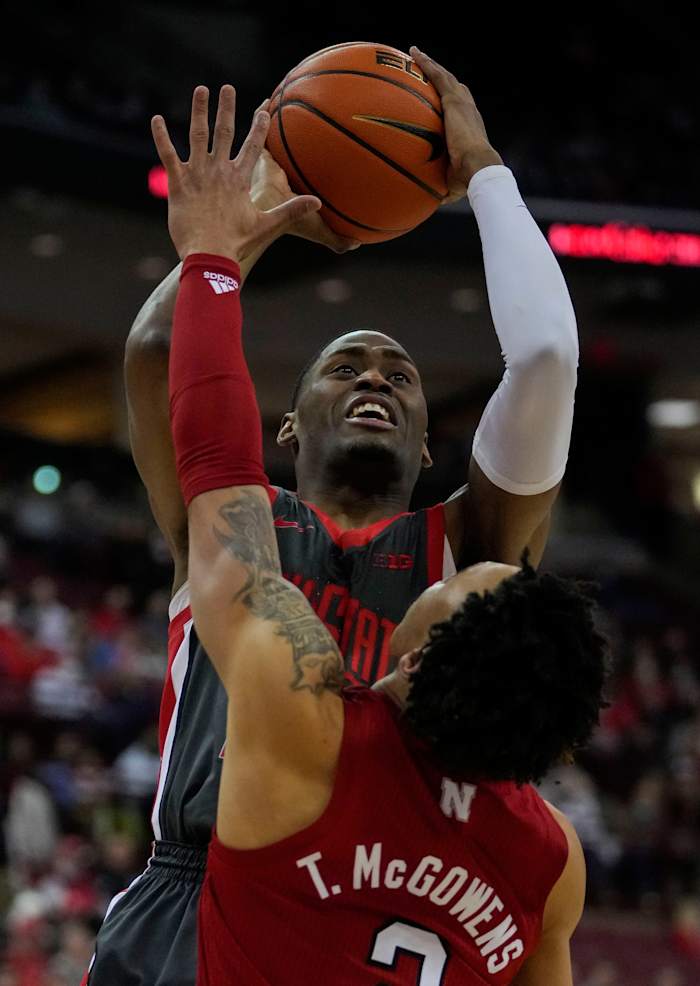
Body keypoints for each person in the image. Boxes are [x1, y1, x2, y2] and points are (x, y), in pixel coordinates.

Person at [87, 47, 579, 986]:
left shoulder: (467, 546)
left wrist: (485, 174)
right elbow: (160, 351)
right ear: (284, 420)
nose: (374, 380)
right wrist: (268, 200)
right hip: (187, 891)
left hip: (362, 887)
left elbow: (548, 363)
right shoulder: (229, 523)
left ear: (434, 445)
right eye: (346, 367)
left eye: (400, 377)